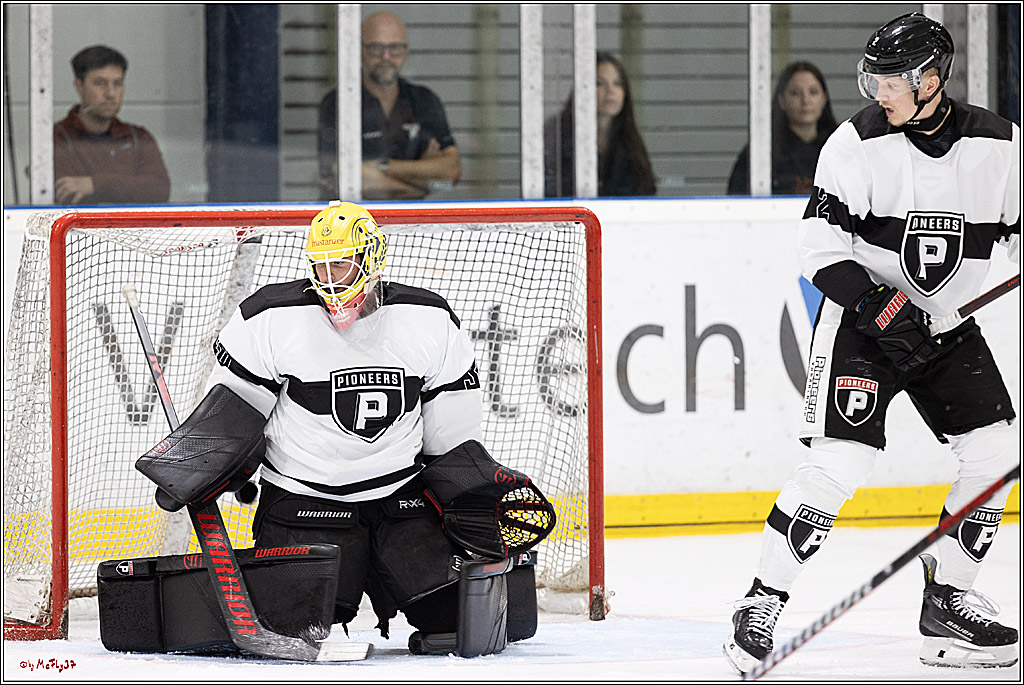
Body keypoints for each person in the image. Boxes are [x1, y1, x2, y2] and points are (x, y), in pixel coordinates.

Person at [724, 13, 1019, 674]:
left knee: (997, 450)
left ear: (932, 78)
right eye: (874, 77)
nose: (878, 90)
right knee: (840, 463)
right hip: (864, 323)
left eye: (892, 79)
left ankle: (948, 602)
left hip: (945, 327)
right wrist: (882, 307)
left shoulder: (1003, 147)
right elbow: (817, 250)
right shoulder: (855, 142)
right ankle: (761, 599)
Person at [138, 202, 550, 656]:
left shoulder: (429, 320)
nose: (332, 279)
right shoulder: (269, 318)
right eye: (322, 265)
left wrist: (471, 487)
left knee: (467, 619)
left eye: (343, 264)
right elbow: (234, 414)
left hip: (402, 500)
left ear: (372, 259)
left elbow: (450, 436)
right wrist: (204, 464)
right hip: (304, 500)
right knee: (292, 624)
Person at [316, 11, 461, 201]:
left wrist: (382, 167)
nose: (386, 57)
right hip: (352, 222)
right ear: (359, 50)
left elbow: (451, 172)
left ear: (406, 51)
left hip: (413, 225)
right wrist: (419, 182)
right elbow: (346, 176)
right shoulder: (339, 102)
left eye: (395, 48)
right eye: (376, 48)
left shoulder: (424, 100)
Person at [53, 45, 170, 204]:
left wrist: (95, 184)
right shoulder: (56, 139)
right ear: (79, 86)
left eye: (117, 83)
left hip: (134, 229)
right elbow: (66, 195)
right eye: (100, 83)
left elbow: (158, 190)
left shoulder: (138, 137)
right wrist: (129, 188)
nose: (110, 93)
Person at [545, 52, 657, 197]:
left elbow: (647, 191)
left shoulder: (631, 142)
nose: (610, 92)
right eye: (600, 83)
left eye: (617, 83)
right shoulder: (559, 137)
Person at [726, 61, 838, 196]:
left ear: (824, 99)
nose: (805, 101)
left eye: (813, 92)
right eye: (795, 93)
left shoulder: (840, 148)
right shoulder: (762, 152)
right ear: (781, 100)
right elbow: (737, 201)